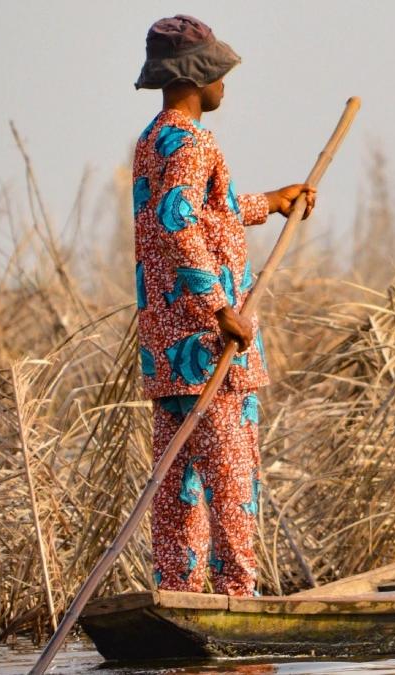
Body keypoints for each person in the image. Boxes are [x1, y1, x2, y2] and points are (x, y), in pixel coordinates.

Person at [133, 14, 315, 596]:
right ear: (197, 77)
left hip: (168, 355)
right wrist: (220, 311)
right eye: (219, 75)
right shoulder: (194, 141)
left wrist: (270, 203)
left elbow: (203, 210)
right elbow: (177, 223)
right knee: (232, 487)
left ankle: (179, 595)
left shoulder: (153, 141)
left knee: (178, 489)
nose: (224, 87)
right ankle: (238, 602)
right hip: (211, 352)